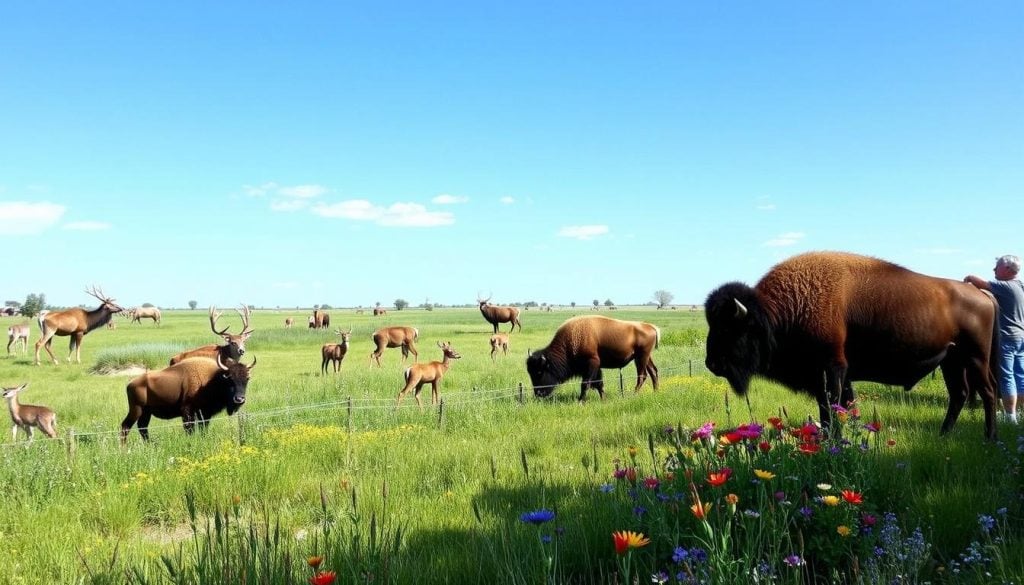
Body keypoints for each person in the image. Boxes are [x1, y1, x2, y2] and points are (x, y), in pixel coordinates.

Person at [965, 255, 1024, 424]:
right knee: (1020, 375)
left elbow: (982, 283)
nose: (994, 270)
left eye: (996, 267)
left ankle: (1010, 416)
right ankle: (1019, 412)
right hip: (1021, 336)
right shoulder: (1020, 285)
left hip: (1007, 336)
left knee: (1006, 376)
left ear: (1007, 270)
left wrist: (969, 277)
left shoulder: (1005, 286)